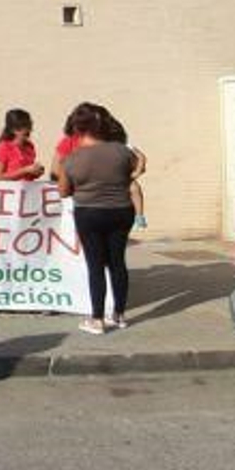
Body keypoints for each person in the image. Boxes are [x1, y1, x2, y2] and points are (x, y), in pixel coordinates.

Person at [59, 104, 139, 335]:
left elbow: (63, 191)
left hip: (89, 212)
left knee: (96, 266)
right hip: (121, 210)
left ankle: (97, 318)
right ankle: (120, 315)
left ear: (77, 129)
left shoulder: (71, 159)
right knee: (118, 263)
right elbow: (135, 171)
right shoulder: (122, 151)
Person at [0, 108, 46, 181]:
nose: (28, 129)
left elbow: (27, 176)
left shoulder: (30, 146)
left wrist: (36, 172)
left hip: (27, 190)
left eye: (29, 125)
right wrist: (25, 170)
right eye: (24, 126)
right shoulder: (4, 147)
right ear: (13, 130)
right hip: (11, 190)